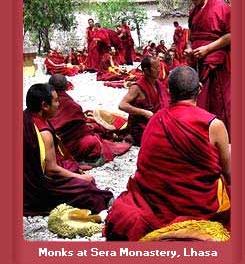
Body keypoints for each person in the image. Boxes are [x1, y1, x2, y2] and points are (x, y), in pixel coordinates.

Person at [105, 66, 230, 241]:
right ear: (200, 89)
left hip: (154, 202)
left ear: (169, 91)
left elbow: (144, 166)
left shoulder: (156, 119)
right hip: (197, 205)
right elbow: (228, 172)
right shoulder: (213, 124)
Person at [24, 83, 113, 216]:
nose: (58, 105)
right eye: (55, 101)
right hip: (37, 187)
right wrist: (80, 178)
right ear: (44, 105)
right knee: (89, 190)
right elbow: (51, 170)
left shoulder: (25, 117)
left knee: (72, 167)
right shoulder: (44, 133)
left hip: (24, 176)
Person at [48, 74, 131, 167]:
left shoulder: (44, 103)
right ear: (66, 86)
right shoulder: (72, 105)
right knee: (93, 139)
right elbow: (83, 131)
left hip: (48, 144)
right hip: (66, 146)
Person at [184, 0, 231, 139]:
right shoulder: (193, 12)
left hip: (217, 61)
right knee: (200, 97)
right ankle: (202, 132)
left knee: (218, 98)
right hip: (198, 61)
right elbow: (191, 36)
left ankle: (222, 134)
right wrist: (189, 48)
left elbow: (232, 34)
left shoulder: (222, 7)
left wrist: (208, 48)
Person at [118, 56, 169, 146]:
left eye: (159, 67)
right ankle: (132, 137)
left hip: (157, 122)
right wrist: (144, 112)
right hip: (142, 127)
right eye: (156, 68)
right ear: (146, 70)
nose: (159, 70)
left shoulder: (158, 84)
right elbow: (122, 105)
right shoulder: (137, 87)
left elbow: (167, 99)